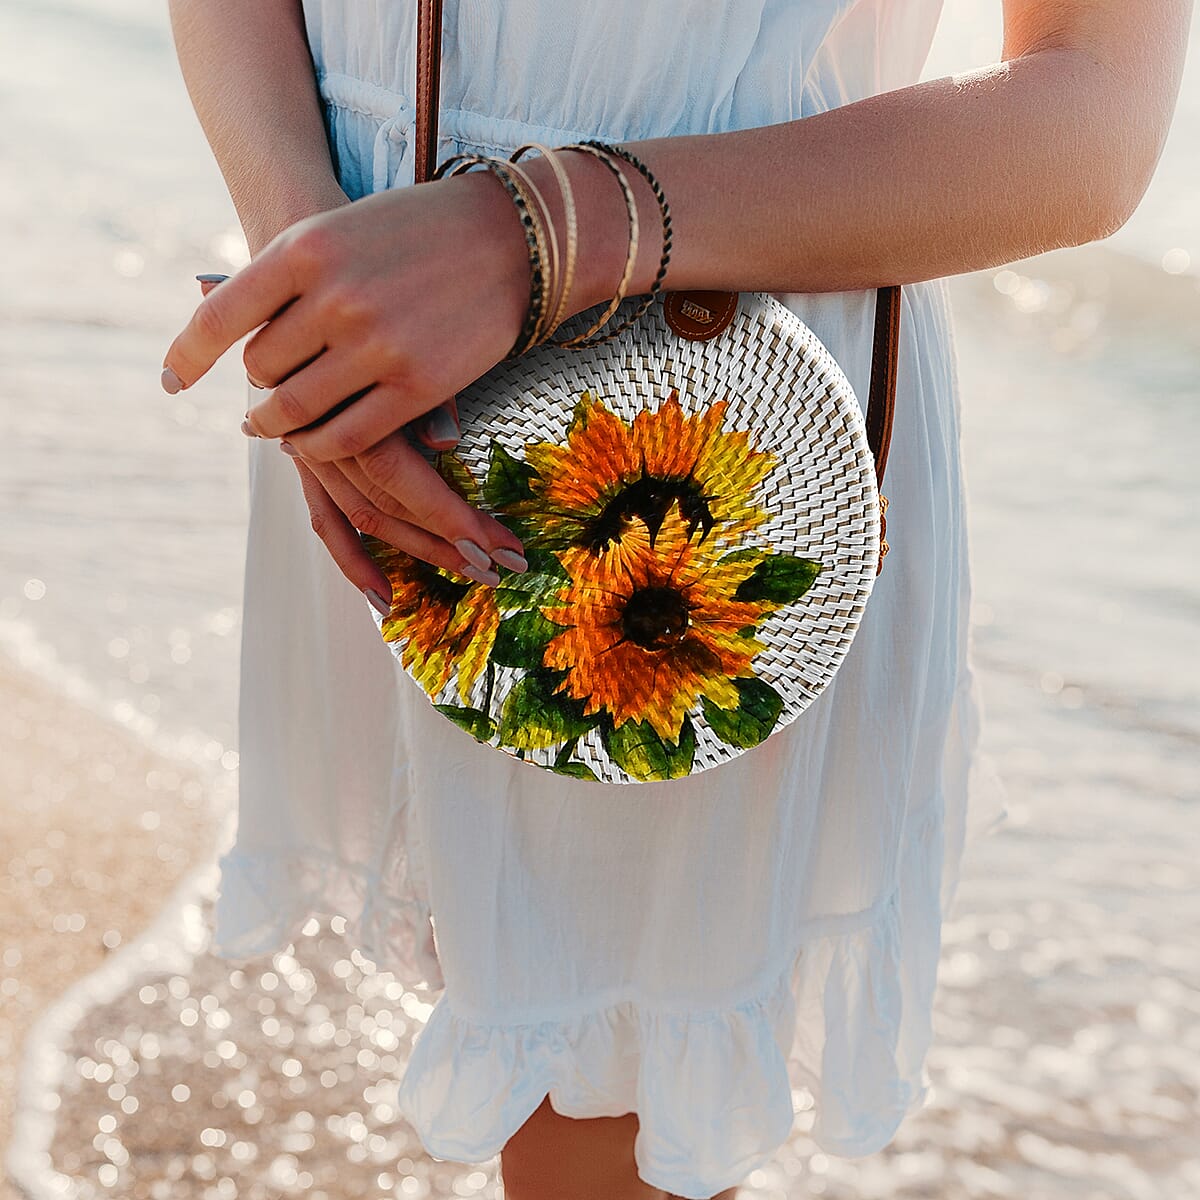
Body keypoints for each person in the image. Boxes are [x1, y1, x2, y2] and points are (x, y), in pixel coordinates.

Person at [162, 2, 1189, 1198]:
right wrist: (313, 286)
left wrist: (531, 238)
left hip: (707, 421)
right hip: (380, 352)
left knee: (600, 1128)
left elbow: (1094, 120)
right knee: (529, 1039)